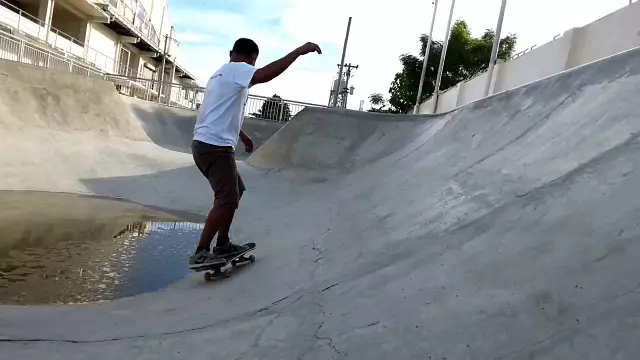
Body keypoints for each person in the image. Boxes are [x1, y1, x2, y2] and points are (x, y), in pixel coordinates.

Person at [189, 38, 322, 268]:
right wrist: (298, 51)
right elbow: (265, 75)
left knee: (235, 191)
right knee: (227, 199)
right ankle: (201, 252)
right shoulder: (240, 69)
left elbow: (218, 112)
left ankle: (223, 243)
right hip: (215, 148)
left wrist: (242, 135)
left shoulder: (219, 75)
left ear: (231, 52)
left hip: (204, 144)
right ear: (252, 58)